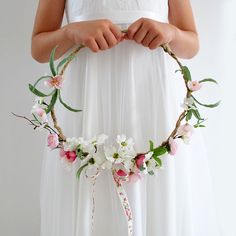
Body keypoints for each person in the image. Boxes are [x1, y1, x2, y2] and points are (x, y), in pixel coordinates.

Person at [32, 0, 220, 235]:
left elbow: (191, 44)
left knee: (157, 189)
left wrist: (169, 32)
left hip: (152, 100)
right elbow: (39, 48)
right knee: (90, 185)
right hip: (87, 99)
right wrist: (70, 32)